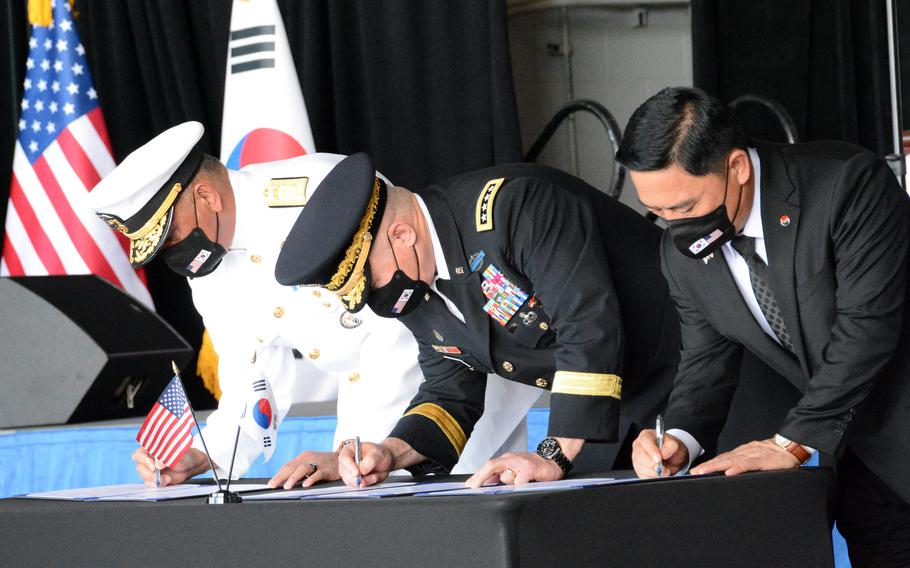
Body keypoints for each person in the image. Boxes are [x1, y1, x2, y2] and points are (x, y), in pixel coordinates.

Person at [619, 87, 910, 566]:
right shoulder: (680, 254)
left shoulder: (844, 183)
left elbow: (867, 326)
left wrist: (790, 443)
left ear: (736, 168)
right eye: (658, 211)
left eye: (685, 207)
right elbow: (704, 361)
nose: (673, 226)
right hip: (863, 465)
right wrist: (680, 439)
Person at [274, 152, 679, 488]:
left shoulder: (515, 208)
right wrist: (389, 453)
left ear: (402, 235)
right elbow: (450, 388)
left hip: (697, 377)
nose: (376, 300)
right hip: (613, 413)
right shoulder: (415, 280)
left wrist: (552, 453)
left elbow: (587, 328)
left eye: (371, 282)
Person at [86, 121, 428, 489]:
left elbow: (399, 320)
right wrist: (206, 454)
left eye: (170, 235)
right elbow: (251, 375)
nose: (172, 253)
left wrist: (362, 447)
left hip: (441, 398)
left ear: (208, 197)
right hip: (370, 435)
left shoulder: (320, 192)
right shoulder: (209, 271)